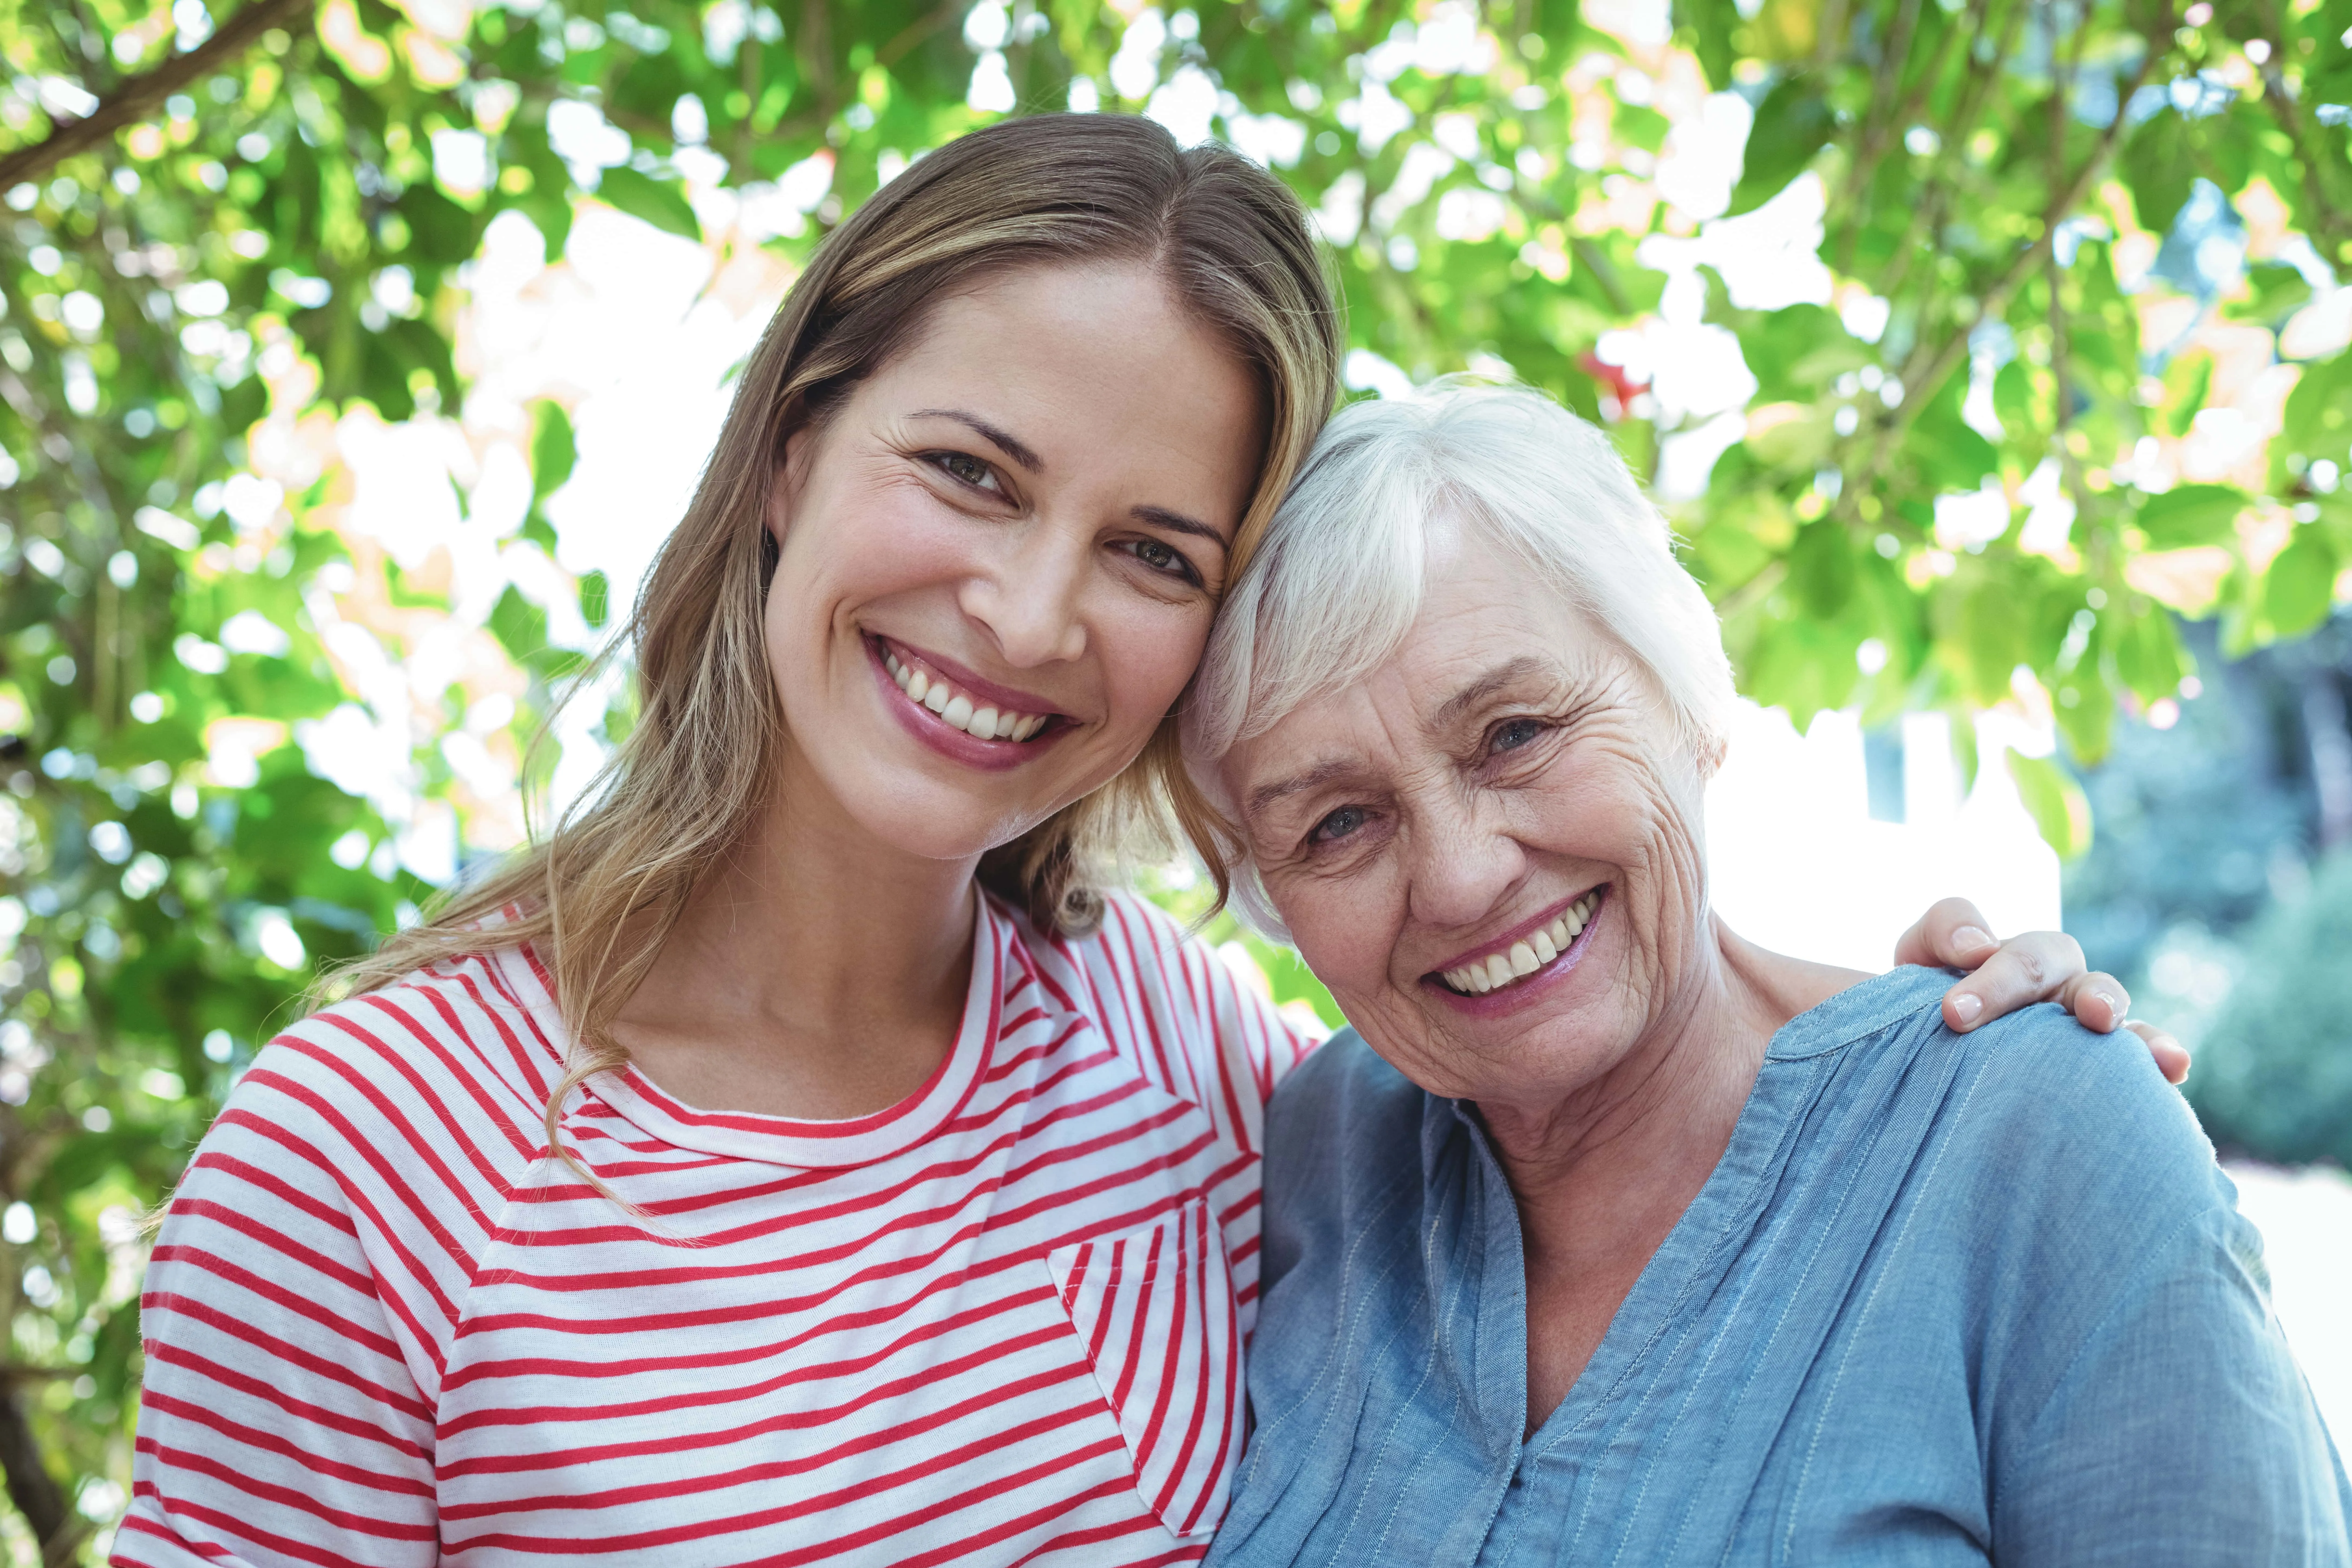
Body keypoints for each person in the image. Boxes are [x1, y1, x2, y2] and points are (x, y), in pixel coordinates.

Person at [120, 119, 2158, 1568]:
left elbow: (1583, 1074)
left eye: (1149, 551)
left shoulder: (1188, 1056)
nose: (1025, 614)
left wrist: (1958, 1049)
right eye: (968, 474)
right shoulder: (361, 1155)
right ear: (791, 448)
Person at [1188, 380, 2352, 1567]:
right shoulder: (1312, 1147)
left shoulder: (2035, 1137)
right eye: (1336, 823)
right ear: (1271, 895)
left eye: (1517, 732)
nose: (1459, 877)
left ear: (1689, 698)